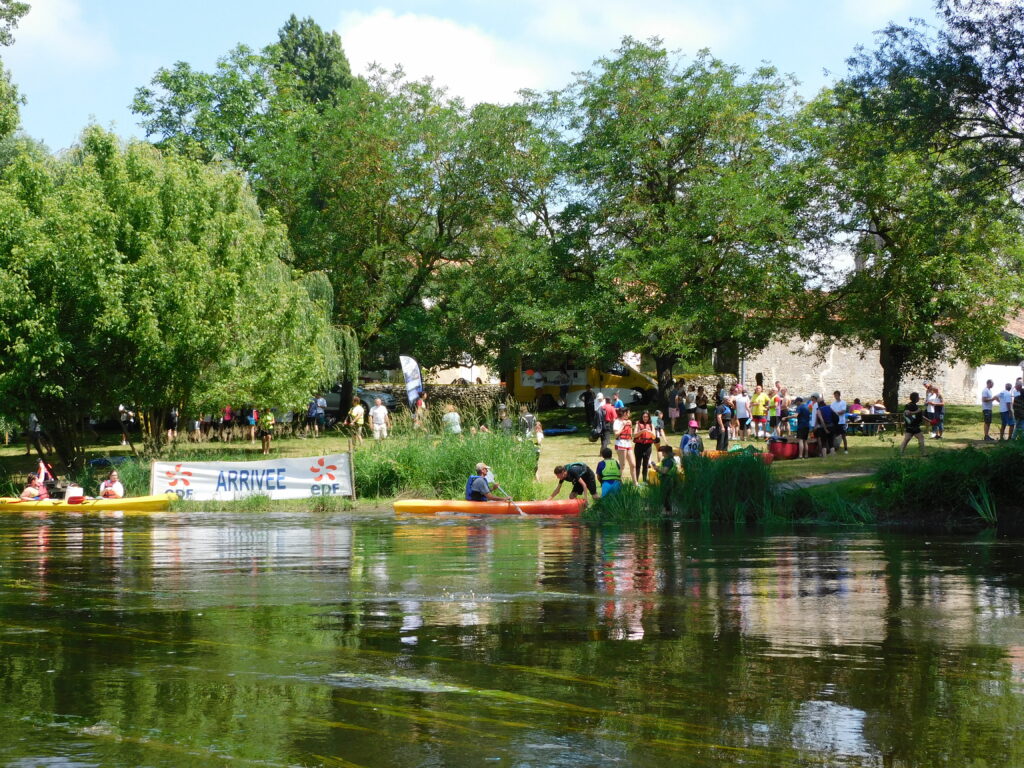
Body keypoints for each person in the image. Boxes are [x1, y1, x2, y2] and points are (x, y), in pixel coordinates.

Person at [613, 408, 637, 483]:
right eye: (628, 413)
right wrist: (623, 426)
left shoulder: (628, 421)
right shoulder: (617, 422)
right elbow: (616, 434)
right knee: (622, 465)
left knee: (633, 464)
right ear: (624, 413)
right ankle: (618, 482)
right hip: (620, 443)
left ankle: (635, 483)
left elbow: (630, 434)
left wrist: (630, 425)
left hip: (628, 443)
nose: (629, 415)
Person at [633, 411, 657, 482]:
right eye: (644, 417)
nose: (645, 418)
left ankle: (644, 480)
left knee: (646, 464)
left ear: (649, 417)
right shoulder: (638, 424)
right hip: (639, 446)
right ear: (642, 417)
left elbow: (654, 437)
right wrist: (642, 431)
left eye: (647, 417)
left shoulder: (651, 425)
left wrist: (650, 432)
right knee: (638, 464)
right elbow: (634, 435)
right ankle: (636, 481)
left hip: (647, 446)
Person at [656, 445, 678, 513]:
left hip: (667, 480)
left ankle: (668, 511)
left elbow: (664, 471)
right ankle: (669, 511)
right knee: (668, 496)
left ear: (667, 453)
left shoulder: (668, 461)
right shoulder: (671, 459)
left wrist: (656, 468)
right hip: (670, 479)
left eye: (663, 452)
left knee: (666, 496)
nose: (662, 453)